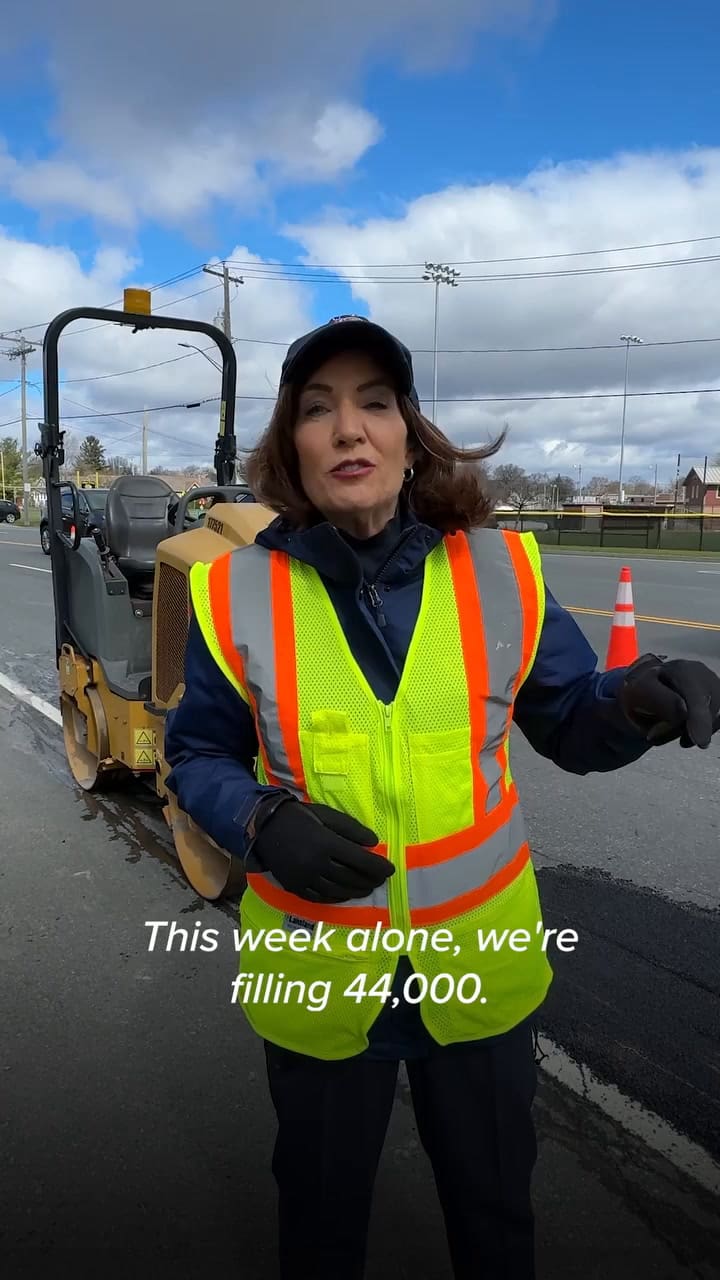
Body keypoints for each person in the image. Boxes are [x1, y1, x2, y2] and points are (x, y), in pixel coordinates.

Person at [163, 314, 720, 1280]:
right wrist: (260, 820)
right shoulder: (235, 592)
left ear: (412, 437)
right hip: (321, 979)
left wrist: (638, 700)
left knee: (495, 1217)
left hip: (478, 976)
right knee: (321, 1226)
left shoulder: (500, 573)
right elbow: (198, 753)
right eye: (318, 409)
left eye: (375, 403)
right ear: (292, 447)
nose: (349, 428)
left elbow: (572, 722)